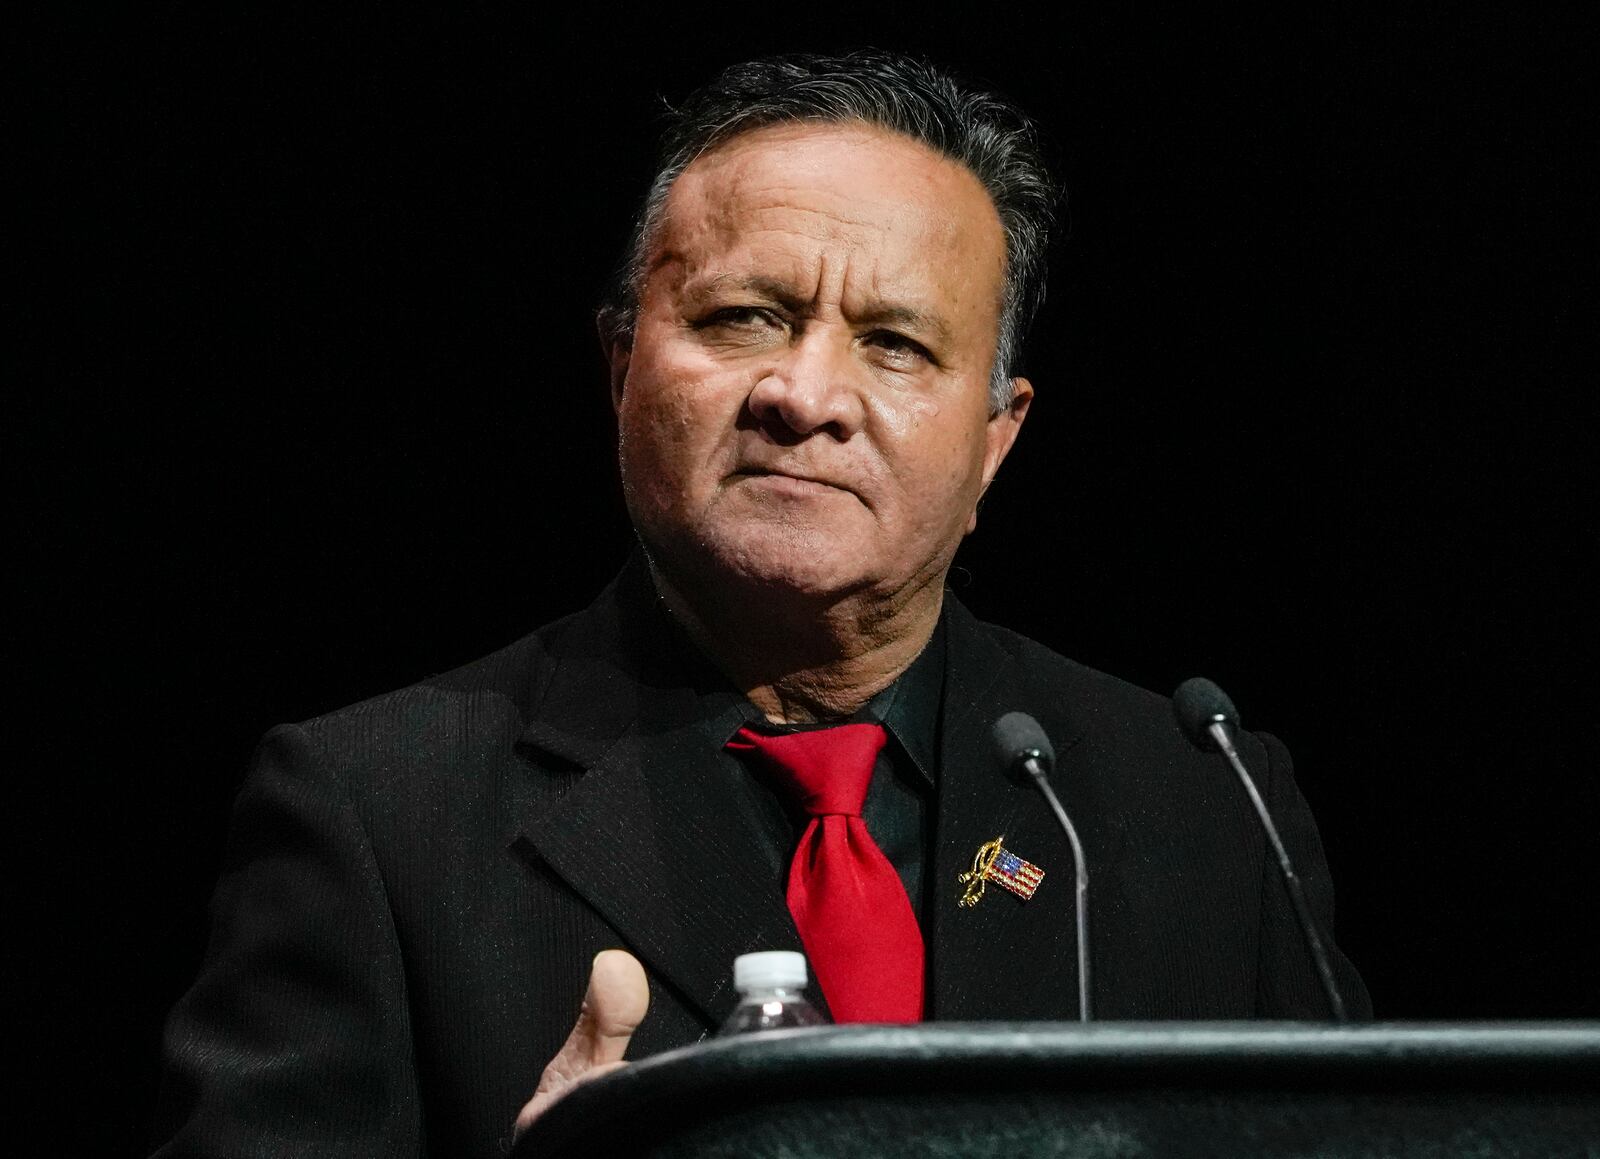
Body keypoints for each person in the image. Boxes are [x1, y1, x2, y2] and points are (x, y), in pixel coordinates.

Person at [152, 50, 1369, 1157]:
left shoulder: (1201, 804)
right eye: (746, 318)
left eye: (894, 343)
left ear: (995, 440)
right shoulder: (378, 811)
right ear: (621, 365)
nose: (804, 393)